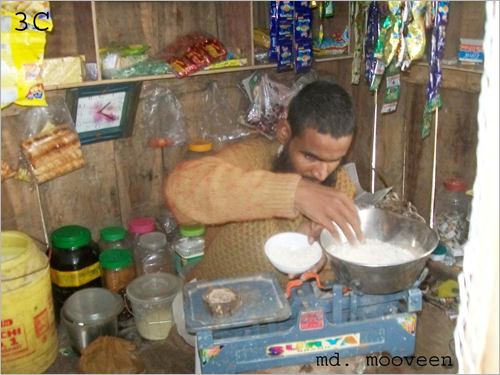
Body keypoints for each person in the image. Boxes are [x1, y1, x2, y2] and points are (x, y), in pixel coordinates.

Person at [164, 80, 364, 289]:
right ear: (285, 133)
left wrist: (322, 243)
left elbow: (343, 265)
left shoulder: (341, 186)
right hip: (215, 298)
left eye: (334, 160)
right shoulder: (252, 159)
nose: (322, 173)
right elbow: (179, 189)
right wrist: (293, 192)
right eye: (310, 157)